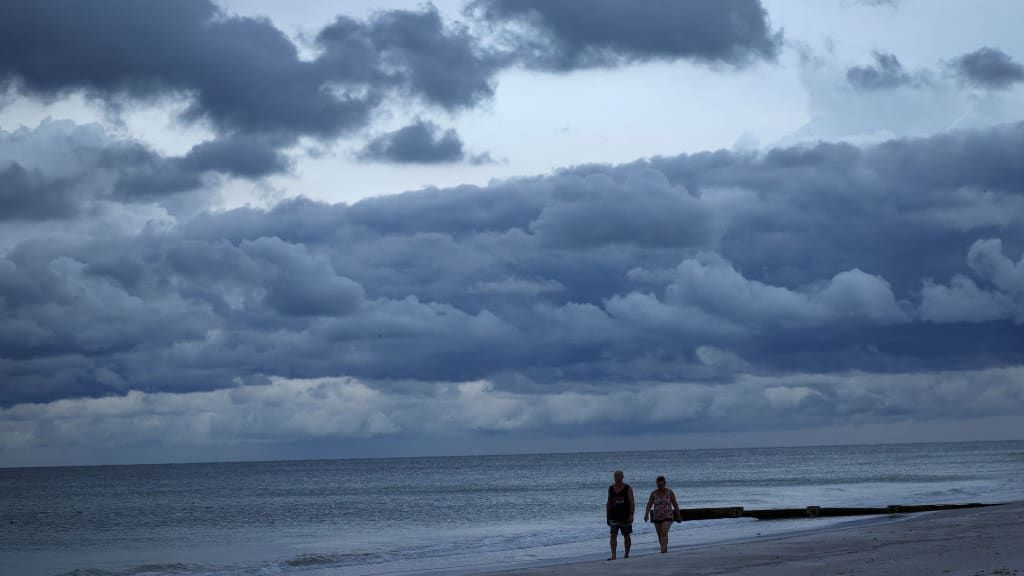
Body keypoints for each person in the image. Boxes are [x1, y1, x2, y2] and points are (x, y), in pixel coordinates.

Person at [643, 475, 681, 553]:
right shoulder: (653, 493)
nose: (660, 486)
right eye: (658, 485)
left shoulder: (669, 492)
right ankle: (664, 548)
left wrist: (678, 515)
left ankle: (663, 551)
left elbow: (675, 504)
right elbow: (649, 504)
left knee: (664, 532)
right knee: (660, 535)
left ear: (664, 483)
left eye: (661, 484)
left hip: (668, 516)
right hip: (656, 517)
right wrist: (646, 514)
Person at [606, 469, 635, 560]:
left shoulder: (627, 488)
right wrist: (607, 516)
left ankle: (626, 554)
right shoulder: (611, 488)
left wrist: (631, 514)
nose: (616, 478)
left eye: (618, 476)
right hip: (614, 516)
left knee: (626, 535)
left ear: (622, 477)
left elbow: (632, 502)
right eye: (615, 476)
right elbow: (609, 502)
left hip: (625, 516)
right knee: (613, 535)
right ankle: (613, 555)